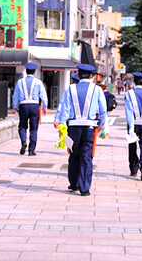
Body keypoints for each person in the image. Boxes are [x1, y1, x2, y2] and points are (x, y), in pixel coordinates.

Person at [57, 64, 107, 196]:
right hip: (90, 127)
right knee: (86, 156)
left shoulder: (70, 89)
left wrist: (62, 126)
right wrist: (100, 125)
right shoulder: (97, 90)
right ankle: (84, 188)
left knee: (74, 154)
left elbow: (65, 110)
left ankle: (74, 183)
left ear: (78, 75)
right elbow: (103, 111)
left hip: (73, 126)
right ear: (91, 76)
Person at [12, 62, 48, 156]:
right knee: (34, 128)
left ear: (26, 71)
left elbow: (16, 95)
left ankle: (24, 141)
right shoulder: (38, 82)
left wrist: (14, 107)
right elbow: (43, 95)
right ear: (35, 72)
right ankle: (31, 150)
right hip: (35, 106)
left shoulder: (20, 82)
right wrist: (45, 107)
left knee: (22, 126)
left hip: (23, 105)